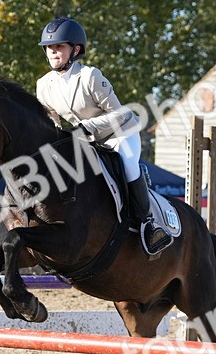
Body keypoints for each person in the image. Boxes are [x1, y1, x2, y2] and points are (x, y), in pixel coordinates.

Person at [35, 17, 172, 256]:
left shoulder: (90, 76)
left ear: (75, 50)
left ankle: (150, 224)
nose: (53, 52)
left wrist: (87, 127)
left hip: (121, 133)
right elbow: (53, 125)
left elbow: (119, 114)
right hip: (87, 138)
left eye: (59, 47)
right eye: (49, 47)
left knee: (127, 165)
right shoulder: (43, 85)